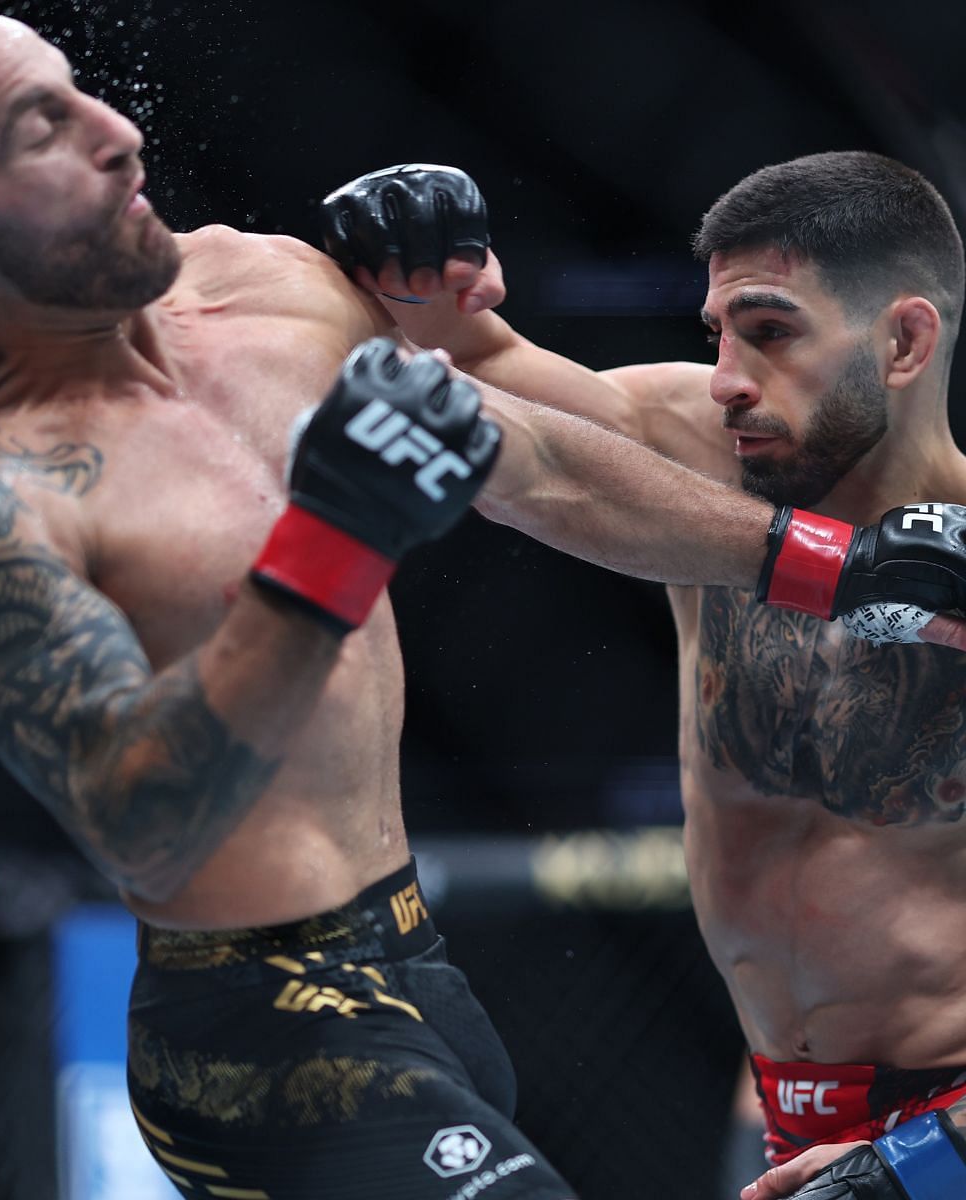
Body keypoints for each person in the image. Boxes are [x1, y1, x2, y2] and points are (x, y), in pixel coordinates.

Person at [0, 11, 966, 1198]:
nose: (117, 135)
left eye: (82, 96)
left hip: (423, 970)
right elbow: (137, 813)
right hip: (254, 1029)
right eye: (41, 131)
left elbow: (538, 460)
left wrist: (847, 565)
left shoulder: (268, 288)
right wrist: (327, 548)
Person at [320, 153, 966, 1200]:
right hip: (785, 1116)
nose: (727, 381)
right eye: (718, 336)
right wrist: (415, 274)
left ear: (903, 340)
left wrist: (932, 1162)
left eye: (771, 331)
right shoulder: (704, 455)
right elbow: (474, 382)